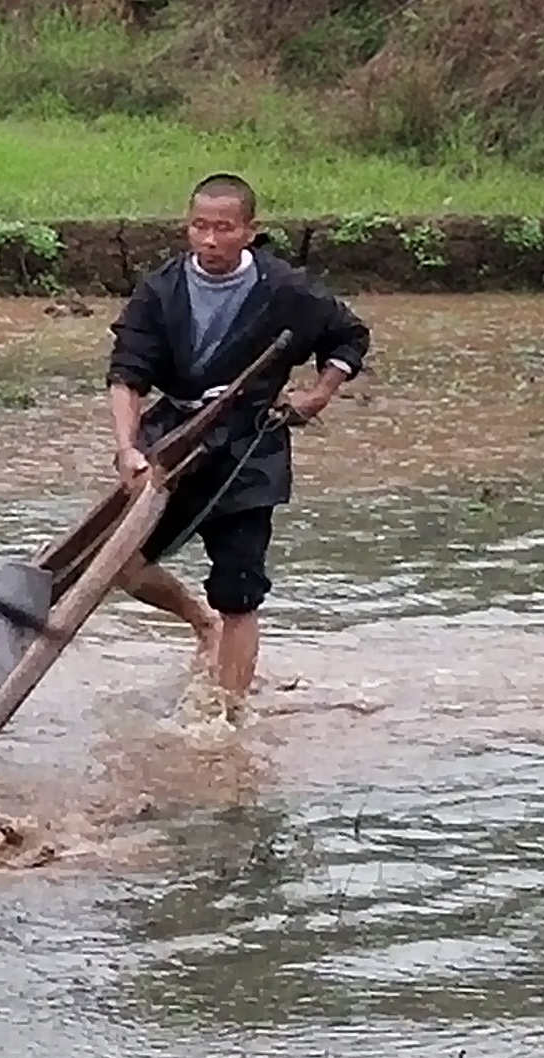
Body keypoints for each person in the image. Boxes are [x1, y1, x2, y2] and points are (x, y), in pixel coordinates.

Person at [106, 172, 372, 716]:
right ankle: (196, 619)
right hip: (173, 446)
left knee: (239, 593)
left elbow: (349, 337)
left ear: (250, 231)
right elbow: (127, 375)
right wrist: (127, 447)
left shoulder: (288, 291)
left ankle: (228, 716)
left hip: (250, 453)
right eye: (199, 227)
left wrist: (318, 395)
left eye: (223, 228)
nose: (208, 240)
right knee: (121, 564)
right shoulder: (160, 291)